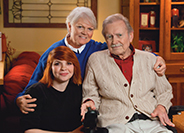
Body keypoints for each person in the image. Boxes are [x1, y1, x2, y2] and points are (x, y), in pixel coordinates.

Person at [16, 7, 166, 114]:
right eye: (80, 27)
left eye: (90, 29)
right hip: (60, 105)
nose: (85, 33)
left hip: (87, 104)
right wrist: (19, 100)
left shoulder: (97, 48)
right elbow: (33, 84)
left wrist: (155, 57)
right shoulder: (54, 52)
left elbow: (124, 49)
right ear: (69, 26)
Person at [81, 13, 175, 133]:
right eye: (109, 37)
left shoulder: (150, 59)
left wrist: (162, 106)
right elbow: (90, 92)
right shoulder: (96, 60)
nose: (115, 41)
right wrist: (90, 101)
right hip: (117, 124)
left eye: (119, 35)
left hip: (151, 122)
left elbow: (164, 91)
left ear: (130, 36)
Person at [20, 46, 84, 133]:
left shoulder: (79, 89)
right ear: (50, 67)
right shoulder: (36, 91)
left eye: (69, 63)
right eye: (57, 64)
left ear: (74, 66)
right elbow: (28, 130)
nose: (64, 68)